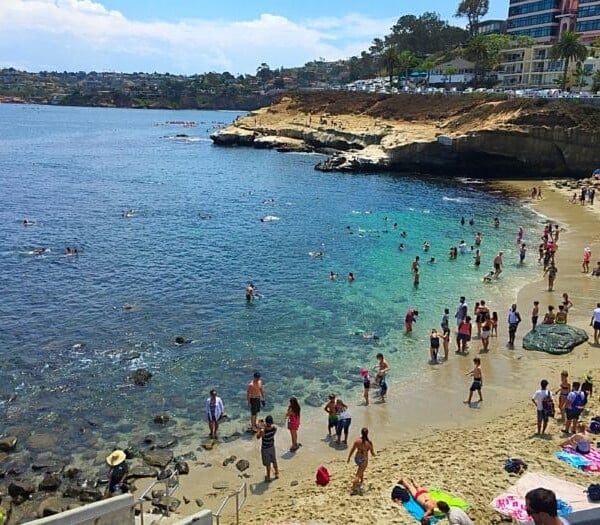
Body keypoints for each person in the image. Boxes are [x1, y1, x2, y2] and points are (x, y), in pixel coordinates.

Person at [347, 427, 376, 495]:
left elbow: (352, 450)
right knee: (358, 474)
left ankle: (361, 480)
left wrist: (349, 458)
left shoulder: (357, 441)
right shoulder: (369, 443)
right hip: (364, 460)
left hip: (357, 458)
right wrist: (376, 455)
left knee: (361, 469)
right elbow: (372, 453)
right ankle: (353, 487)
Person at [257, 415, 279, 482]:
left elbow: (258, 437)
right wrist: (263, 426)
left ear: (266, 422)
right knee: (274, 460)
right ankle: (276, 473)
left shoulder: (263, 431)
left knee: (268, 463)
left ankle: (268, 477)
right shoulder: (274, 428)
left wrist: (259, 428)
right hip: (272, 447)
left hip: (265, 448)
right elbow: (271, 431)